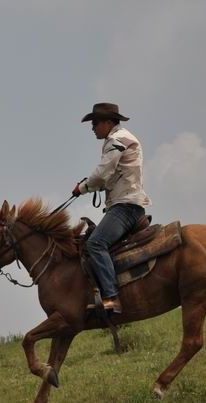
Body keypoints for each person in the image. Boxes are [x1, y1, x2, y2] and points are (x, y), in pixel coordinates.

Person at [71, 103, 151, 314]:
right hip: (130, 204)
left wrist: (82, 188)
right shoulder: (121, 137)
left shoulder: (116, 140)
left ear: (108, 122)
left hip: (125, 207)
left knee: (96, 244)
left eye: (95, 123)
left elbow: (101, 174)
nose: (93, 128)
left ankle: (111, 298)